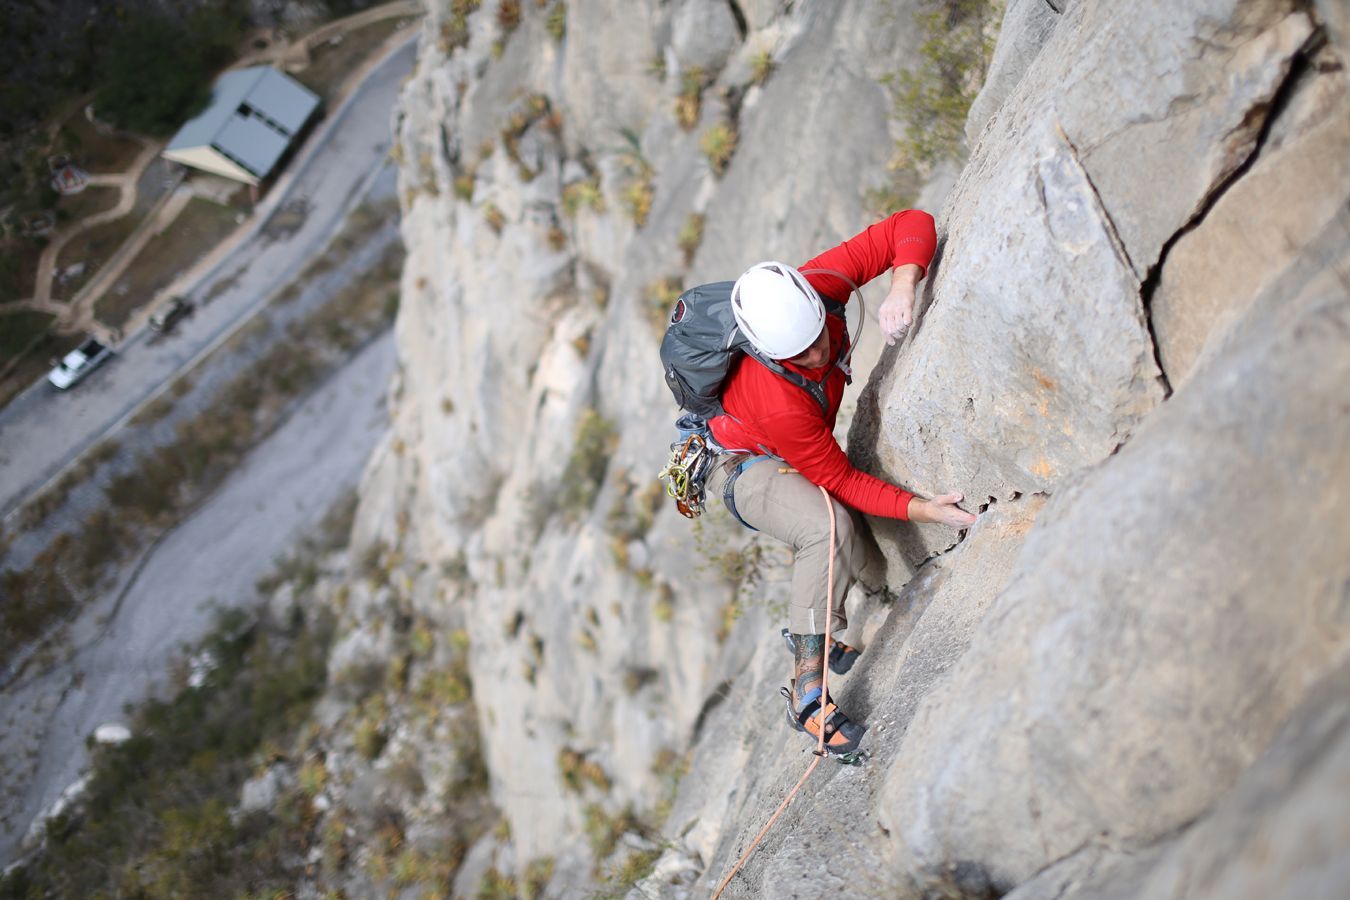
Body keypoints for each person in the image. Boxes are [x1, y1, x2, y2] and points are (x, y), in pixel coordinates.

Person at [702, 209, 977, 756]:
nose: (817, 353)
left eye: (815, 338)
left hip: (771, 444)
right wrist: (924, 510)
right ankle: (807, 693)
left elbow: (910, 224)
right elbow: (841, 481)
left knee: (836, 528)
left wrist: (902, 284)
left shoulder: (817, 286)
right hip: (734, 461)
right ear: (766, 350)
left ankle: (815, 629)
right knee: (827, 526)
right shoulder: (777, 398)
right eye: (797, 353)